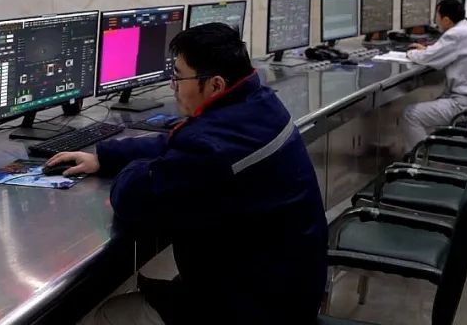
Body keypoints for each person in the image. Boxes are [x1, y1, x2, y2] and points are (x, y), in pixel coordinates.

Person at [50, 23, 327, 325]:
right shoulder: (257, 103)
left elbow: (133, 197)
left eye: (179, 77)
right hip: (285, 286)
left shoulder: (210, 149)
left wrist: (139, 169)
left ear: (215, 85)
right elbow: (178, 144)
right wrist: (105, 157)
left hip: (257, 309)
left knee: (109, 315)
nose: (173, 86)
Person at [399, 0, 467, 152]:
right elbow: (440, 52)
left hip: (465, 105)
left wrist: (410, 52)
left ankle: (422, 159)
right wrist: (427, 50)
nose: (436, 22)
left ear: (446, 20)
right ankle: (431, 152)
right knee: (431, 104)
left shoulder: (455, 34)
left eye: (437, 18)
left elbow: (427, 58)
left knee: (410, 114)